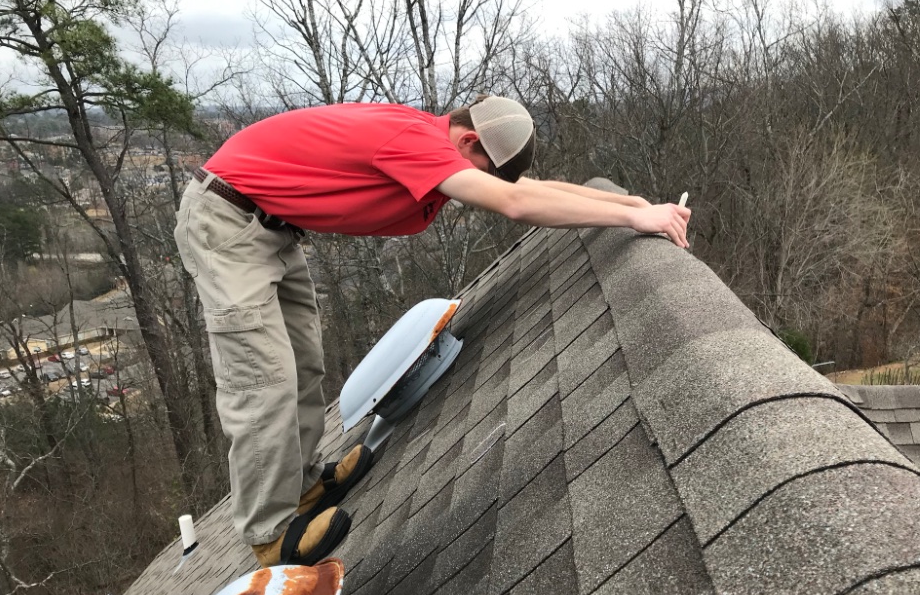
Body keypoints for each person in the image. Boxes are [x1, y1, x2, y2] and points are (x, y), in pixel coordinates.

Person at [174, 96, 690, 568]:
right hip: (227, 222)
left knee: (304, 363)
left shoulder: (432, 139)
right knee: (263, 380)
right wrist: (631, 222)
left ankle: (305, 484)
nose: (481, 184)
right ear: (468, 141)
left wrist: (632, 209)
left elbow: (523, 188)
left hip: (270, 227)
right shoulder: (415, 142)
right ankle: (268, 532)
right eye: (482, 170)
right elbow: (514, 203)